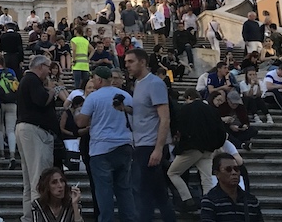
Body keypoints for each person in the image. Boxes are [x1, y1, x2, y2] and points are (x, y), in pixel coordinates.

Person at [75, 66, 136, 222]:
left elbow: (81, 122)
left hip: (101, 149)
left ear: (99, 80)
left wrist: (77, 113)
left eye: (94, 78)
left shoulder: (94, 97)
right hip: (124, 145)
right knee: (124, 190)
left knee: (104, 192)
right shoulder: (126, 96)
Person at [123, 48, 176, 222]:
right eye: (126, 62)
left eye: (131, 62)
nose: (127, 65)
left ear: (143, 62)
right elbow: (144, 112)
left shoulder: (154, 83)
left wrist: (158, 149)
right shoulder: (138, 84)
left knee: (144, 193)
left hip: (151, 146)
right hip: (141, 144)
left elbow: (164, 117)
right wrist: (125, 109)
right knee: (158, 193)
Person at [16, 55, 68, 222]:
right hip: (34, 131)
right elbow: (41, 100)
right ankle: (40, 217)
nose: (49, 70)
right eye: (48, 66)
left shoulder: (27, 80)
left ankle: (29, 217)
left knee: (30, 181)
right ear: (40, 67)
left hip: (26, 129)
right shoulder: (32, 80)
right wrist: (52, 90)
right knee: (40, 178)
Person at [200, 152, 263, 221]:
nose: (234, 173)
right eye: (228, 169)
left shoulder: (251, 200)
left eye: (236, 169)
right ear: (217, 174)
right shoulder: (210, 200)